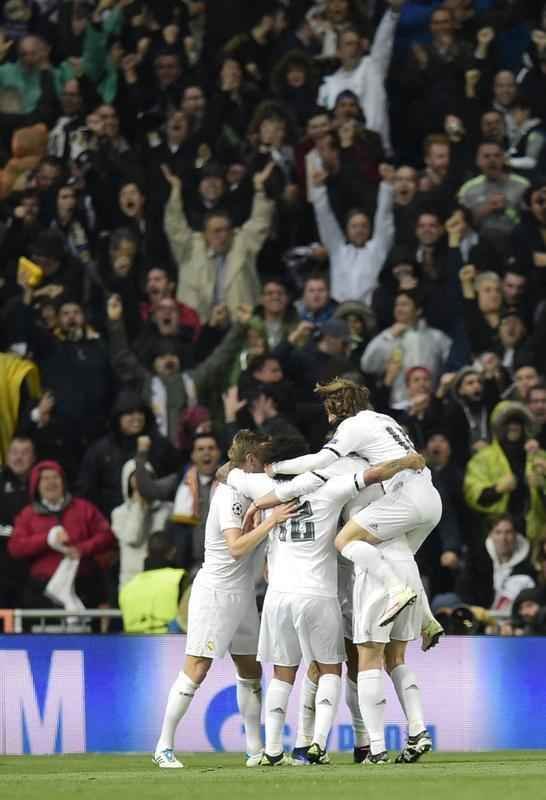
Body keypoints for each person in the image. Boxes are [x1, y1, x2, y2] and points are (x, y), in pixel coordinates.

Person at [226, 434, 425, 765]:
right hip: (317, 593)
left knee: (281, 673)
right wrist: (406, 461)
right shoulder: (329, 489)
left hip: (277, 596)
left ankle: (273, 750)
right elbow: (372, 475)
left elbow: (228, 473)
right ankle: (315, 745)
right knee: (330, 668)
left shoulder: (264, 491)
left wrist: (246, 468)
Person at [153, 431, 297, 769]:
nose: (269, 467)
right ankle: (163, 746)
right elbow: (235, 548)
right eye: (264, 460)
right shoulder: (231, 496)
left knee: (250, 669)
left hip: (243, 595)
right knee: (197, 668)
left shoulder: (249, 489)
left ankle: (255, 751)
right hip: (216, 594)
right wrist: (271, 523)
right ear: (250, 462)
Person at [268, 377, 443, 638]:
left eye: (329, 405)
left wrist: (276, 468)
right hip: (431, 498)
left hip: (406, 497)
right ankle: (427, 621)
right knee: (403, 558)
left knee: (344, 540)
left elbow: (320, 460)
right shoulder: (384, 419)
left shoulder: (352, 427)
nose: (326, 413)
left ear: (340, 405)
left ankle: (397, 591)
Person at [162, 161, 275, 320]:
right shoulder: (190, 248)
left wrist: (259, 189)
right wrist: (175, 191)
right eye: (216, 231)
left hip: (240, 325)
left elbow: (260, 221)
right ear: (204, 234)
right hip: (199, 328)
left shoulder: (241, 244)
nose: (222, 235)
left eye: (226, 230)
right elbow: (174, 226)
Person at [8, 460, 115, 610]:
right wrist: (47, 539)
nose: (51, 482)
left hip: (84, 586)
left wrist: (81, 549)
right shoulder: (28, 515)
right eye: (45, 478)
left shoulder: (84, 508)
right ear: (36, 486)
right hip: (42, 592)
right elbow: (15, 547)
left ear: (63, 482)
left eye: (55, 477)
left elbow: (107, 536)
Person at [309, 162, 395, 306]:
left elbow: (384, 216)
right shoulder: (338, 251)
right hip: (340, 313)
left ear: (369, 230)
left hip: (369, 313)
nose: (359, 230)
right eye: (354, 226)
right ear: (347, 231)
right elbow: (325, 219)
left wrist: (387, 185)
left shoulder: (377, 249)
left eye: (363, 226)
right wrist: (318, 189)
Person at [111, 459, 173, 590]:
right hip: (131, 583)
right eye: (137, 480)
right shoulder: (119, 513)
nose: (142, 484)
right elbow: (132, 538)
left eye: (146, 479)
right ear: (127, 484)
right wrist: (138, 506)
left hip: (161, 581)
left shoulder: (167, 510)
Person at [119, 530, 188, 633]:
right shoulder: (180, 578)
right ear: (173, 551)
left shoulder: (127, 587)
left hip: (133, 645)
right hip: (170, 644)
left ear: (147, 551)